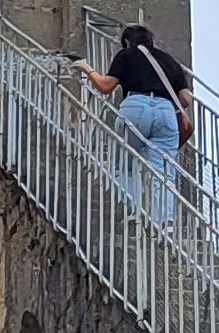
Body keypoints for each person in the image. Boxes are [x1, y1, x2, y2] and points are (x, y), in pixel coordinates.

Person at [80, 21, 194, 218]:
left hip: (136, 107)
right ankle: (164, 221)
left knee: (125, 164)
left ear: (127, 42)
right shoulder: (169, 61)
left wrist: (86, 69)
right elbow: (185, 99)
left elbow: (106, 86)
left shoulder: (126, 55)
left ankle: (131, 212)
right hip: (165, 112)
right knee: (163, 171)